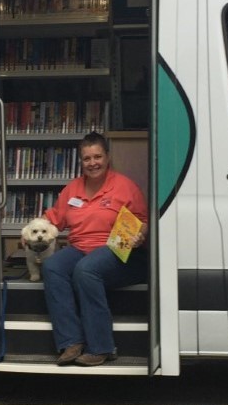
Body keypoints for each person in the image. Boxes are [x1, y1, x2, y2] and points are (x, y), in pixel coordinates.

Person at [41, 131, 148, 367]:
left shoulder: (124, 187)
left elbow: (143, 221)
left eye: (97, 157)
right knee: (52, 266)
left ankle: (101, 347)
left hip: (118, 250)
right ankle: (71, 342)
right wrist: (33, 230)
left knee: (86, 270)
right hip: (80, 247)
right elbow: (54, 220)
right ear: (81, 161)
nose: (93, 163)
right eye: (87, 158)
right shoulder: (72, 189)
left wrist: (140, 234)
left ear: (108, 157)